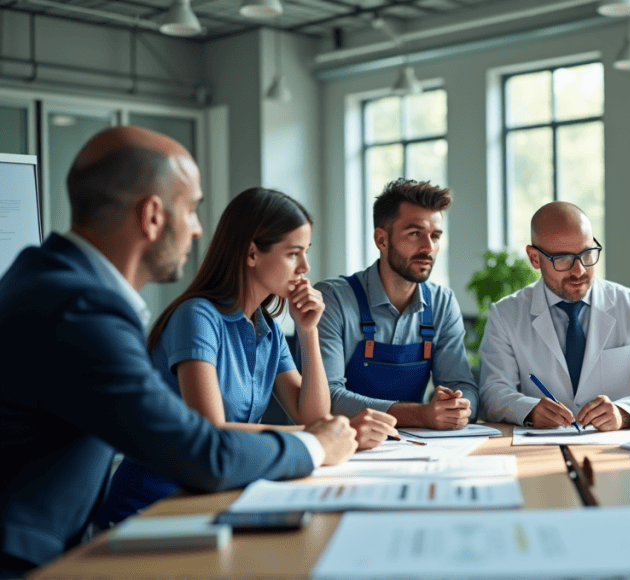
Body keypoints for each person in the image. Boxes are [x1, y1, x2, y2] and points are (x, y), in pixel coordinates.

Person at [0, 127, 356, 575]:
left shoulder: (51, 281)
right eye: (190, 208)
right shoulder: (83, 309)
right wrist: (314, 445)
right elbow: (203, 450)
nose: (197, 229)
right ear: (152, 216)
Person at [94, 188, 398, 528]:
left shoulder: (265, 327)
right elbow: (211, 430)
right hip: (154, 507)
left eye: (306, 253)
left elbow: (314, 414)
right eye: (293, 254)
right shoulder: (197, 316)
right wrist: (318, 439)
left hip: (215, 496)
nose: (305, 267)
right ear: (252, 253)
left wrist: (308, 331)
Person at [478, 201, 630, 430]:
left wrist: (624, 413)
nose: (579, 270)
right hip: (539, 449)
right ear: (534, 258)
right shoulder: (506, 315)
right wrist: (527, 409)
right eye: (563, 259)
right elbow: (492, 393)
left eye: (587, 254)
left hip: (615, 449)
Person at [316, 178, 477, 429]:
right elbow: (327, 398)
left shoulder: (442, 302)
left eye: (435, 236)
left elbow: (462, 384)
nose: (428, 247)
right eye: (415, 233)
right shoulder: (333, 299)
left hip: (418, 447)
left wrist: (459, 406)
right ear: (381, 240)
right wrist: (420, 415)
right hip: (347, 447)